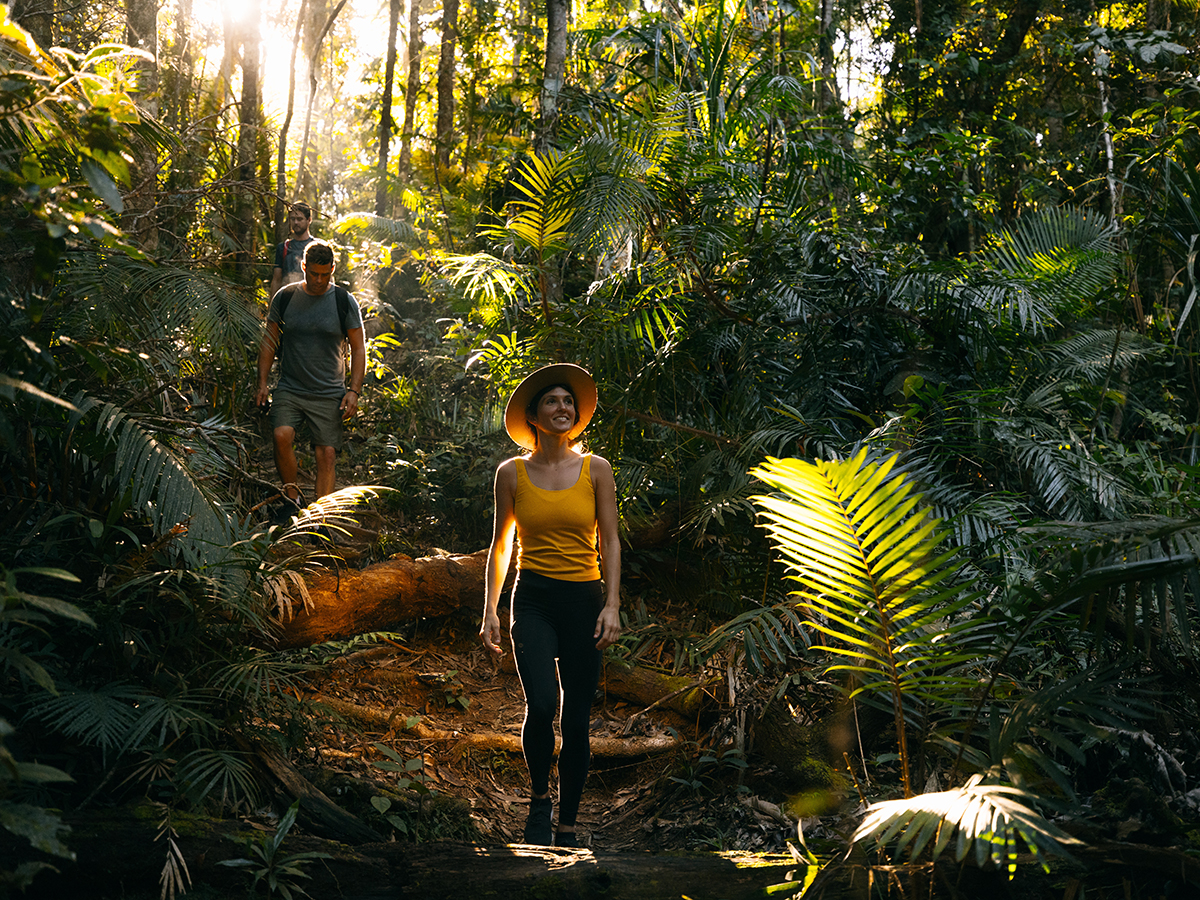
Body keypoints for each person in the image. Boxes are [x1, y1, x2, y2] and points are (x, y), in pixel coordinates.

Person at [479, 364, 622, 848]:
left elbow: (612, 542)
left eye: (568, 401)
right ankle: (540, 799)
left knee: (577, 718)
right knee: (542, 704)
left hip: (584, 599)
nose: (562, 407)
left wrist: (613, 604)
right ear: (534, 417)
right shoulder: (511, 473)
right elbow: (500, 547)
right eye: (551, 401)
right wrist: (490, 611)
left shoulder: (597, 469)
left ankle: (568, 825)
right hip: (534, 598)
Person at [255, 239, 366, 514]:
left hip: (329, 391)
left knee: (326, 454)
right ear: (303, 266)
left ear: (332, 270)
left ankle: (319, 517)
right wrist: (262, 383)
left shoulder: (343, 300)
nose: (318, 280)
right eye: (313, 273)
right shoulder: (286, 296)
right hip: (290, 387)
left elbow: (358, 346)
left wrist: (353, 391)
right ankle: (292, 498)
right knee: (281, 435)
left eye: (325, 274)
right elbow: (269, 341)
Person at [269, 202, 315, 297]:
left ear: (309, 220)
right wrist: (272, 308)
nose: (296, 222)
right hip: (288, 302)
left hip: (313, 301)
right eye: (293, 219)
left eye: (300, 219)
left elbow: (327, 279)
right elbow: (276, 280)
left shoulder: (317, 246)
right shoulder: (283, 247)